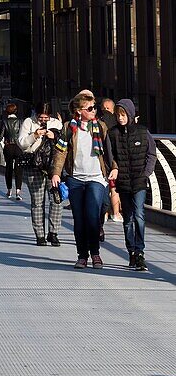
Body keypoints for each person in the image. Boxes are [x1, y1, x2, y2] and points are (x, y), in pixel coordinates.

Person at [51, 91, 115, 270]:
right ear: (79, 111)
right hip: (76, 179)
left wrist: (115, 168)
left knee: (93, 217)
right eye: (90, 108)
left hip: (96, 178)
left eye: (95, 107)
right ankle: (82, 256)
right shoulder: (68, 128)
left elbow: (110, 151)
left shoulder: (101, 127)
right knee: (79, 219)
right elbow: (60, 151)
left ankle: (95, 253)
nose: (94, 110)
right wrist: (56, 172)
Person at [107, 99, 157, 271]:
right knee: (127, 219)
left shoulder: (143, 133)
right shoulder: (113, 134)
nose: (120, 118)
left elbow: (152, 154)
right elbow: (110, 156)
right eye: (118, 115)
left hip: (139, 181)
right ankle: (132, 252)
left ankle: (140, 251)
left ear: (130, 114)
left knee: (139, 215)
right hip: (123, 181)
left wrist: (146, 173)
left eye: (123, 115)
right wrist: (114, 170)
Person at [18, 102, 63, 245]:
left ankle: (53, 232)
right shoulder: (28, 122)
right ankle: (40, 235)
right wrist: (34, 135)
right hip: (34, 165)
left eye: (46, 118)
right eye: (40, 117)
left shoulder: (56, 123)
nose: (43, 120)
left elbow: (63, 144)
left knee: (56, 200)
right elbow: (22, 143)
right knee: (37, 202)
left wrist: (54, 136)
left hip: (52, 166)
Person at [97, 97, 122, 224]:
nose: (106, 111)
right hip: (108, 161)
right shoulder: (112, 125)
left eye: (108, 108)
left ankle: (107, 212)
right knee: (113, 188)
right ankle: (115, 213)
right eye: (104, 108)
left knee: (110, 187)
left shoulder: (100, 123)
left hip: (107, 161)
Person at [0, 102, 24, 200]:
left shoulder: (4, 121)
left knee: (8, 168)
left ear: (6, 111)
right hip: (18, 147)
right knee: (18, 169)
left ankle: (9, 190)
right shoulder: (20, 121)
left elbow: (0, 136)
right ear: (16, 111)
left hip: (8, 147)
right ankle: (18, 191)